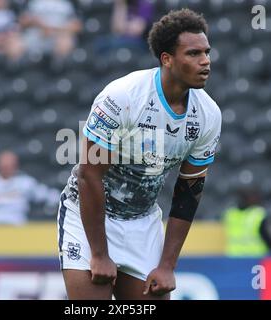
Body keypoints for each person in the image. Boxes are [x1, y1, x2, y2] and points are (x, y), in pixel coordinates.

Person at [57, 9, 221, 299]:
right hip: (89, 219)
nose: (205, 61)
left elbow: (189, 192)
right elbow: (89, 175)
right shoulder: (123, 96)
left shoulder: (208, 115)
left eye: (206, 52)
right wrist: (99, 254)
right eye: (194, 53)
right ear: (166, 59)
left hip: (142, 224)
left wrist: (168, 265)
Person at [0, 151, 60, 225]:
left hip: (17, 226)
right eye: (4, 165)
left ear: (16, 165)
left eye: (10, 165)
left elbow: (49, 195)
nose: (7, 168)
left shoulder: (25, 183)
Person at [223, 188, 271, 256]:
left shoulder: (230, 214)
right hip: (255, 259)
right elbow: (269, 240)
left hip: (234, 258)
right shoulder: (258, 214)